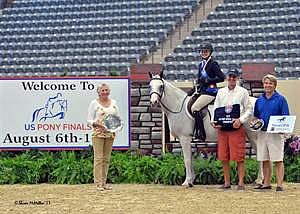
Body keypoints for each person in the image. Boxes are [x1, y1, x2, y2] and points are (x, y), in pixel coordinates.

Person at [211, 68, 252, 190]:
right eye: (230, 76)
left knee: (239, 156)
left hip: (236, 127)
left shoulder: (243, 92)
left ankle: (240, 183)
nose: (231, 79)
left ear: (237, 78)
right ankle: (227, 183)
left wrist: (241, 120)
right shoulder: (220, 92)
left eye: (234, 77)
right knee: (224, 156)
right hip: (223, 128)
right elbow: (216, 108)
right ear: (226, 78)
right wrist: (214, 121)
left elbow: (249, 109)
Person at [253, 74, 289, 192]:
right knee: (265, 159)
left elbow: (285, 116)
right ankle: (266, 184)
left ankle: (279, 185)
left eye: (270, 83)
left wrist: (282, 128)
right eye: (266, 83)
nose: (268, 85)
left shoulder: (281, 99)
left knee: (278, 159)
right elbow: (256, 117)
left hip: (276, 134)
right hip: (262, 133)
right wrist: (255, 123)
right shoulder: (259, 100)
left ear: (274, 85)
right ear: (263, 85)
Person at [187, 42, 226, 140]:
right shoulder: (201, 65)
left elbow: (222, 77)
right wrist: (191, 91)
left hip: (210, 92)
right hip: (202, 91)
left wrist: (209, 80)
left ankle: (201, 133)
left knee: (195, 108)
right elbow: (199, 80)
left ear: (210, 52)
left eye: (206, 51)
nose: (204, 53)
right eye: (202, 51)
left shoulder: (213, 64)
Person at [87, 83, 120, 191]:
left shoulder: (114, 103)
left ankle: (104, 183)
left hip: (110, 134)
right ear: (99, 92)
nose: (105, 92)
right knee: (99, 158)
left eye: (106, 90)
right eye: (102, 90)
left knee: (106, 159)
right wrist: (98, 124)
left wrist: (116, 128)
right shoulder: (94, 103)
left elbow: (117, 117)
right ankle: (98, 183)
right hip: (98, 134)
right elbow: (89, 120)